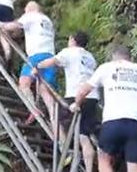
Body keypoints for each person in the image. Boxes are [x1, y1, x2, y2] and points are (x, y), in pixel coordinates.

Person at [70, 45, 137, 172]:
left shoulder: (106, 67)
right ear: (130, 58)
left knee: (104, 160)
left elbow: (83, 91)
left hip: (112, 122)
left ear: (113, 58)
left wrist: (76, 104)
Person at [33, 31, 98, 172]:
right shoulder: (90, 57)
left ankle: (65, 148)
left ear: (72, 39)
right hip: (92, 97)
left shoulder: (69, 51)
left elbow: (51, 62)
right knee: (84, 135)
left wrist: (37, 67)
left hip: (76, 95)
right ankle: (88, 169)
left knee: (56, 117)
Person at [0, 1, 57, 124]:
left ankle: (34, 109)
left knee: (24, 83)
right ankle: (56, 128)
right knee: (46, 92)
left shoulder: (31, 15)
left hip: (36, 56)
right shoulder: (47, 20)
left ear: (29, 9)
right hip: (50, 56)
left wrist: (0, 25)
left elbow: (15, 26)